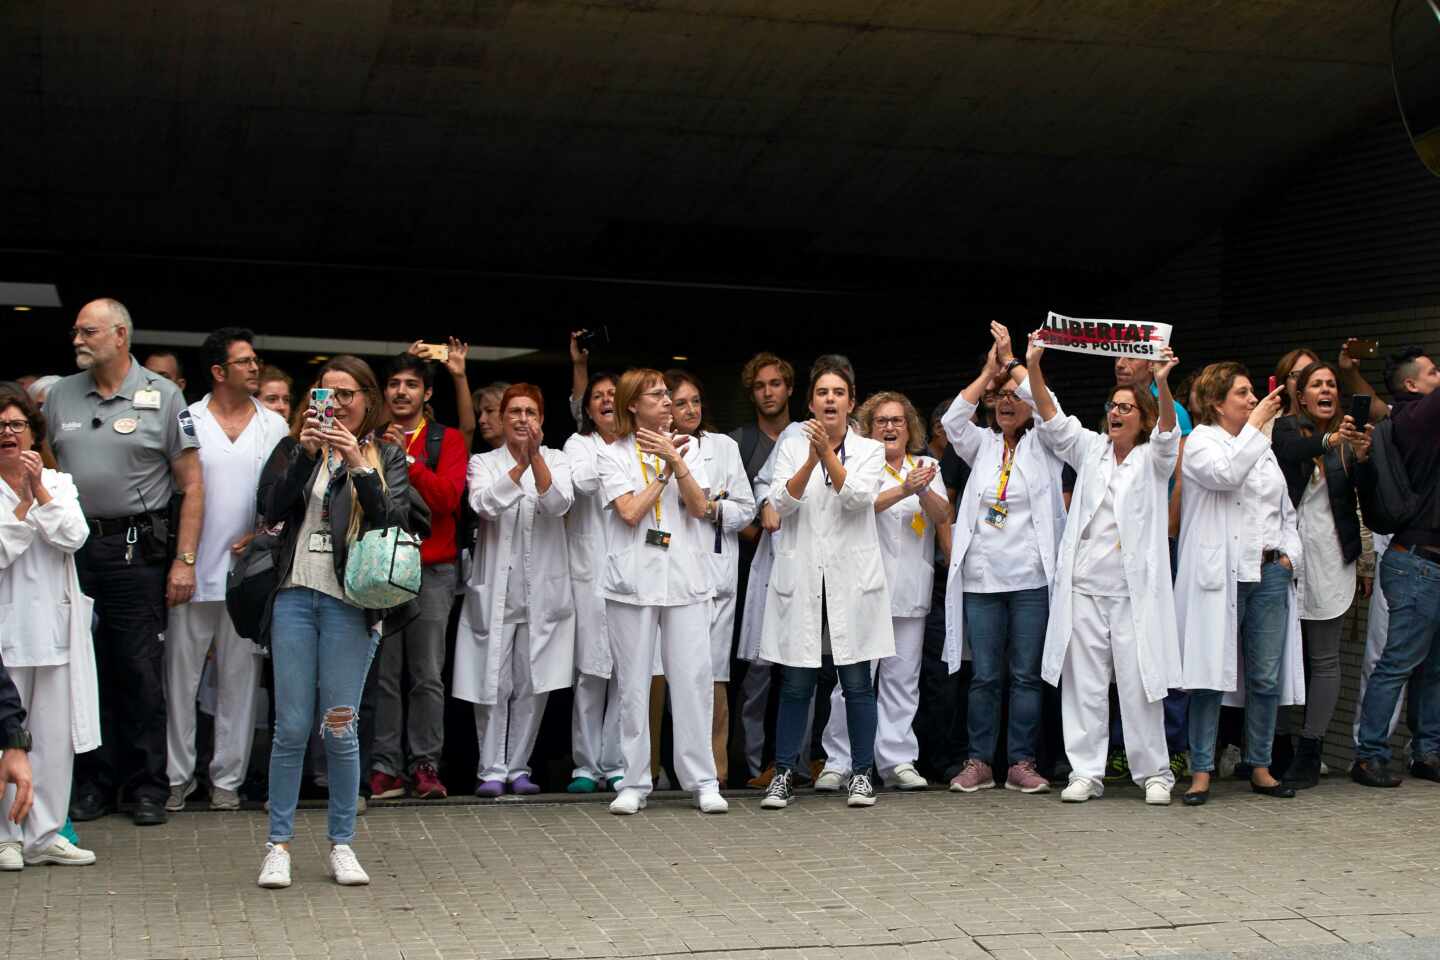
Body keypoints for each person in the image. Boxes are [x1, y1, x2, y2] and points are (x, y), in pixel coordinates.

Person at [255, 356, 427, 889]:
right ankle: (277, 845)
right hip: (294, 596)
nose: (335, 405)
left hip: (350, 602)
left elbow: (396, 521)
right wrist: (307, 455)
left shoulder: (385, 454)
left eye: (346, 395)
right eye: (325, 395)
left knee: (340, 724)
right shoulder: (293, 447)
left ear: (367, 401)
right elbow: (270, 508)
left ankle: (342, 842)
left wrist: (357, 464)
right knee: (291, 726)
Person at [45, 298, 203, 827]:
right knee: (83, 669)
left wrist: (184, 561)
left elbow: (192, 484)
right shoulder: (59, 395)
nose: (77, 340)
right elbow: (44, 467)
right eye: (75, 332)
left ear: (120, 336)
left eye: (87, 331)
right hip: (71, 550)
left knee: (137, 668)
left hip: (136, 550)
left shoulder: (164, 396)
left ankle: (147, 787)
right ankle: (93, 783)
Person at [1015, 336, 1183, 805]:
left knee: (1138, 684)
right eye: (1112, 405)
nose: (1116, 412)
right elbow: (1050, 415)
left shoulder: (1154, 458)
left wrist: (1164, 386)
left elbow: (1169, 431)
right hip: (1086, 588)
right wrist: (1032, 365)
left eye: (1127, 408)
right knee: (1084, 684)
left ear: (1142, 417)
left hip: (1133, 594)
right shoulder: (1090, 450)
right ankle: (1085, 771)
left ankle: (1154, 772)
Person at [758, 355, 892, 810]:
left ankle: (860, 773)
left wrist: (828, 456)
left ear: (851, 402)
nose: (830, 399)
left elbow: (857, 499)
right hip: (803, 577)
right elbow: (780, 503)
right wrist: (811, 458)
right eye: (822, 393)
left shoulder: (871, 450)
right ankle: (783, 772)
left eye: (838, 393)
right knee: (796, 682)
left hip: (852, 582)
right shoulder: (793, 444)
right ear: (811, 403)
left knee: (856, 682)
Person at [941, 325, 1067, 795]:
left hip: (1032, 579)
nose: (1007, 402)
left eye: (1016, 396)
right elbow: (953, 421)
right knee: (986, 677)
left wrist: (1018, 367)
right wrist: (989, 373)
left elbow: (1052, 410)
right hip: (982, 579)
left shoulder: (1048, 444)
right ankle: (979, 761)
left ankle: (1021, 761)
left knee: (1026, 675)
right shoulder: (981, 445)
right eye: (1000, 398)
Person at [165, 329, 287, 813]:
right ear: (218, 372)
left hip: (249, 575)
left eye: (256, 360)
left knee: (240, 682)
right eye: (244, 362)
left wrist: (264, 535)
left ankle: (227, 782)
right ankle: (177, 778)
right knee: (180, 680)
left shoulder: (274, 425)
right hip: (191, 571)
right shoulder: (185, 420)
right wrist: (179, 559)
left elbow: (285, 499)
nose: (255, 367)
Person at [597, 368, 726, 815]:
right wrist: (665, 473)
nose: (668, 402)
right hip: (632, 581)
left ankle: (703, 780)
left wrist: (676, 459)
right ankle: (634, 781)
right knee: (633, 684)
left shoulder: (690, 448)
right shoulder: (612, 454)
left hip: (686, 578)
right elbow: (630, 511)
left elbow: (700, 506)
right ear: (633, 405)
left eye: (667, 394)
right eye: (657, 395)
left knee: (692, 679)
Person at [1175, 361, 1301, 804]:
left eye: (1253, 394)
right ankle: (1202, 770)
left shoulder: (1260, 445)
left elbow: (1282, 508)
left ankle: (1261, 765)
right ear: (1216, 402)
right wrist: (1257, 425)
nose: (1252, 400)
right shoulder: (1200, 443)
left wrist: (1290, 556)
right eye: (1243, 394)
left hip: (1268, 572)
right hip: (1222, 574)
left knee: (1265, 676)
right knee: (1210, 675)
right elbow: (1225, 475)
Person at [815, 390, 948, 793]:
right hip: (864, 590)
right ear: (868, 430)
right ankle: (838, 760)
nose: (890, 427)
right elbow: (859, 505)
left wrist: (922, 488)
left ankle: (897, 759)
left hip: (910, 590)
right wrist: (906, 489)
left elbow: (944, 516)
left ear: (910, 430)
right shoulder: (858, 465)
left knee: (902, 680)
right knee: (852, 682)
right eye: (881, 421)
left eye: (898, 421)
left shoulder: (927, 466)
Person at [455, 384, 575, 797]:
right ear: (503, 419)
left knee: (531, 682)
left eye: (531, 412)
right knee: (492, 682)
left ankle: (519, 767)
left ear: (541, 420)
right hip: (495, 592)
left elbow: (558, 504)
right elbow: (484, 505)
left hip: (542, 593)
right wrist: (518, 466)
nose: (523, 419)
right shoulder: (483, 462)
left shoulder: (558, 459)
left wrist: (535, 458)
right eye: (515, 412)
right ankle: (490, 769)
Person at [0, 389, 99, 868]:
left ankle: (44, 834)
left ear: (34, 434)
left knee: (55, 739)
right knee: (8, 737)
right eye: (1, 426)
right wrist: (21, 504)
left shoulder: (58, 482)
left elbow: (73, 536)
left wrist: (38, 491)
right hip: (8, 630)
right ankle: (6, 837)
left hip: (57, 631)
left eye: (18, 425)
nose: (9, 434)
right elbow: (3, 548)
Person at [1271, 360, 1374, 790]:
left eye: (1332, 384)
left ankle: (1311, 749)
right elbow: (1291, 454)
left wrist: (1365, 459)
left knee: (1324, 658)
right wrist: (1330, 441)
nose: (1326, 390)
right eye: (1317, 384)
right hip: (1287, 556)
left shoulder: (1351, 440)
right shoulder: (1287, 429)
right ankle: (1273, 747)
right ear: (1302, 394)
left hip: (1332, 556)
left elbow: (1367, 501)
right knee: (1275, 656)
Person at [368, 353, 467, 801]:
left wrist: (406, 460)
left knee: (427, 673)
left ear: (427, 394)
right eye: (394, 384)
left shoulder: (445, 440)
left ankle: (426, 764)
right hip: (381, 566)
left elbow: (448, 499)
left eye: (411, 384)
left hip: (432, 568)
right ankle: (386, 767)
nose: (401, 392)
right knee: (385, 673)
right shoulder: (366, 438)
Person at [1352, 346, 1440, 787]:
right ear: (1411, 385)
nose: (1437, 375)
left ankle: (1427, 752)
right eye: (1432, 372)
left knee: (1433, 666)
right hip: (1417, 564)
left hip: (1425, 565)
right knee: (1398, 663)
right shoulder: (1415, 419)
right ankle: (1369, 755)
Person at [1106, 350, 1194, 782]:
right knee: (1120, 655)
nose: (1121, 364)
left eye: (1130, 358)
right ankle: (1121, 746)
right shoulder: (1112, 421)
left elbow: (1175, 473)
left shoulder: (1168, 408)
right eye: (1116, 358)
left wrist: (1169, 533)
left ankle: (1170, 746)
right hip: (1114, 561)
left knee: (1158, 648)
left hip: (1156, 548)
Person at [667, 369, 755, 786]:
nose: (690, 410)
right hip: (671, 571)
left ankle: (716, 770)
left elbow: (746, 508)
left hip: (717, 571)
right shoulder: (655, 446)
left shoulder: (723, 447)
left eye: (695, 401)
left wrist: (713, 509)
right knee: (673, 674)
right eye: (680, 402)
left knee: (715, 673)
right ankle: (668, 767)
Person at [729, 352, 796, 787]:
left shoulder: (804, 436)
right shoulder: (739, 443)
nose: (768, 392)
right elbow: (729, 501)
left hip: (801, 568)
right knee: (755, 673)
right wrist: (761, 533)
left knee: (800, 669)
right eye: (760, 386)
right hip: (753, 567)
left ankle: (795, 762)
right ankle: (750, 768)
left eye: (775, 384)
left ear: (790, 389)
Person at [563, 370, 624, 793]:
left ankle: (615, 761)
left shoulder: (640, 444)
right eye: (597, 396)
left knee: (626, 670)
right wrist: (619, 469)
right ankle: (585, 765)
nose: (605, 401)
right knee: (589, 671)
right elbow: (582, 482)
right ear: (587, 409)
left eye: (612, 395)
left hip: (630, 571)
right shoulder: (577, 445)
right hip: (588, 573)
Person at [472, 382, 511, 452]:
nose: (481, 420)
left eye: (489, 411)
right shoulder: (480, 460)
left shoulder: (534, 453)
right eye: (480, 413)